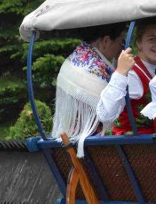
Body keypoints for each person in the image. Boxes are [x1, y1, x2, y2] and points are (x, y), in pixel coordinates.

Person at [52, 23, 127, 154]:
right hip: (96, 151)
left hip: (68, 146)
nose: (122, 48)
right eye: (122, 42)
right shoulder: (97, 70)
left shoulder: (74, 60)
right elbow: (107, 114)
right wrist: (121, 73)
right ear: (106, 41)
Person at [97, 17, 156, 135]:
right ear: (139, 42)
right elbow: (105, 114)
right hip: (132, 148)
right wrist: (120, 73)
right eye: (152, 39)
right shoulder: (132, 74)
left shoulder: (150, 72)